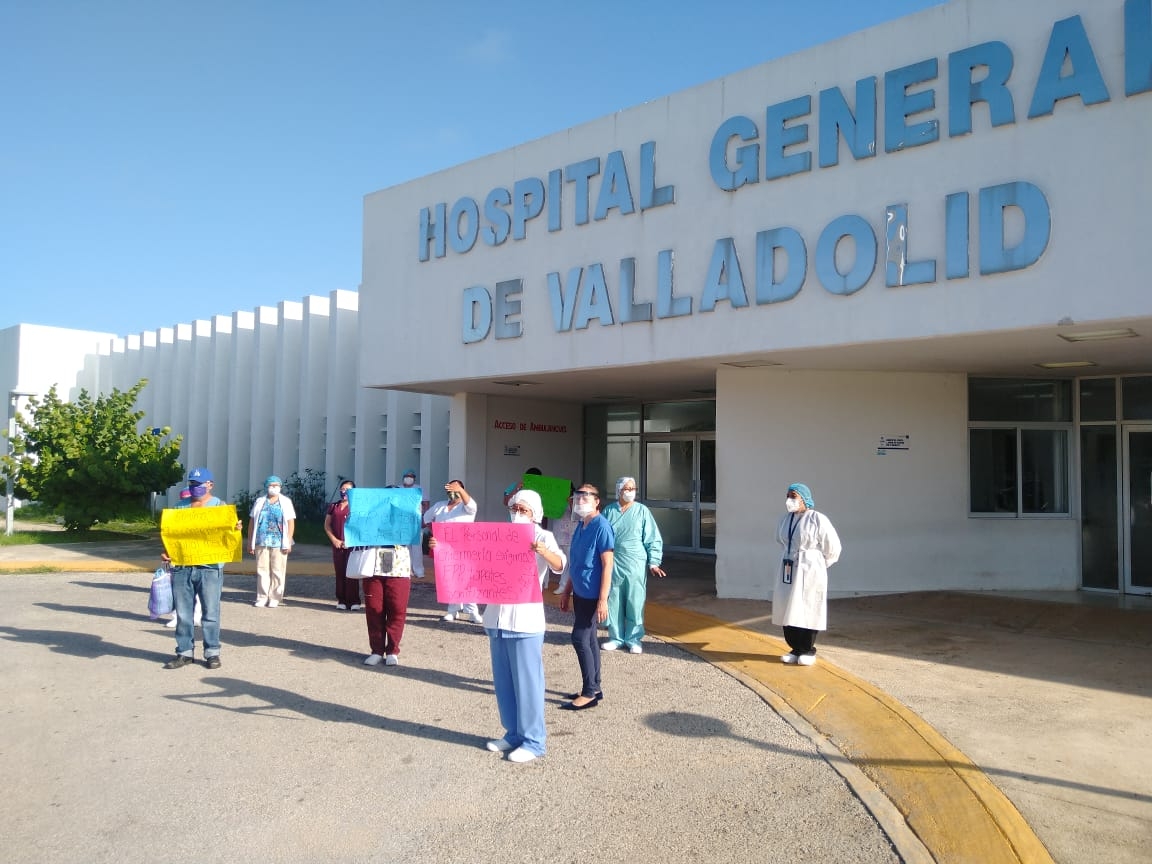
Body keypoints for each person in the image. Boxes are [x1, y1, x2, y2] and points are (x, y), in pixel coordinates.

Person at [474, 490, 565, 764]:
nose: (517, 512)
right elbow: (474, 561)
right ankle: (513, 733)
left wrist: (544, 552)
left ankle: (534, 741)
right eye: (515, 507)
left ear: (535, 513)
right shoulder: (499, 535)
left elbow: (561, 565)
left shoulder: (542, 536)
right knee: (504, 683)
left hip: (525, 621)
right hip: (496, 618)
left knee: (528, 684)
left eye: (524, 509)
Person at [160, 467, 238, 670]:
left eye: (199, 484)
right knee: (184, 614)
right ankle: (184, 652)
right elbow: (171, 536)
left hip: (210, 568)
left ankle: (212, 652)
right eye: (192, 484)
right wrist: (166, 552)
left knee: (211, 613)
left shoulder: (220, 507)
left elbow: (228, 538)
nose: (195, 488)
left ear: (210, 484)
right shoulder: (179, 508)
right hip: (182, 567)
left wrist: (234, 530)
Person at [558, 483, 614, 710]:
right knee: (589, 639)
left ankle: (589, 692)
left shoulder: (602, 526)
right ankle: (594, 686)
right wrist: (567, 589)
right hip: (580, 591)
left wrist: (602, 600)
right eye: (577, 496)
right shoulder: (581, 525)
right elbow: (576, 562)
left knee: (579, 638)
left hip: (592, 594)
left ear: (597, 501)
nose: (580, 500)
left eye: (586, 496)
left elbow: (607, 564)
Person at [774, 483, 842, 667]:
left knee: (808, 606)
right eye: (788, 495)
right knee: (787, 605)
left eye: (794, 496)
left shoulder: (817, 519)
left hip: (810, 568)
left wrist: (818, 565)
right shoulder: (786, 519)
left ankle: (807, 649)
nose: (790, 500)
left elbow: (833, 547)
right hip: (789, 567)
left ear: (804, 498)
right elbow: (781, 540)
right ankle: (794, 648)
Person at [600, 476, 665, 654]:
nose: (631, 491)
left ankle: (634, 638)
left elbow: (652, 537)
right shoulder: (609, 511)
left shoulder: (642, 511)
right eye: (627, 488)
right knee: (614, 600)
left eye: (633, 488)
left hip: (635, 562)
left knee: (635, 601)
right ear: (619, 491)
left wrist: (654, 562)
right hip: (613, 561)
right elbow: (601, 535)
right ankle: (615, 637)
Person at [425, 480, 481, 623]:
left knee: (467, 580)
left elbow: (472, 506)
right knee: (451, 579)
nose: (452, 492)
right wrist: (435, 532)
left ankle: (472, 612)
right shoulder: (440, 506)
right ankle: (453, 610)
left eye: (455, 489)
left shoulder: (466, 506)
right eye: (450, 489)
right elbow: (426, 519)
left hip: (465, 548)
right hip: (444, 549)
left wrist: (460, 490)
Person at [348, 543, 413, 667]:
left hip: (399, 565)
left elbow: (421, 525)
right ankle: (377, 650)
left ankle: (392, 651)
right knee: (374, 608)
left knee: (397, 608)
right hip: (372, 564)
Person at [248, 475, 296, 608]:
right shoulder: (260, 501)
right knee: (262, 570)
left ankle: (275, 596)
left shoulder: (286, 502)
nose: (274, 488)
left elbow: (290, 522)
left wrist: (289, 540)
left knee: (278, 570)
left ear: (280, 487)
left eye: (276, 485)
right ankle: (262, 596)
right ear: (266, 486)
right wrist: (250, 541)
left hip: (279, 541)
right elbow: (252, 521)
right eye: (271, 485)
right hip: (261, 540)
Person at [323, 479, 362, 610]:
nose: (344, 491)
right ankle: (342, 600)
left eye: (347, 489)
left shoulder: (357, 506)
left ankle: (354, 600)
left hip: (352, 545)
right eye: (342, 489)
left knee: (352, 572)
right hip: (338, 544)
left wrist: (352, 540)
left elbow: (360, 526)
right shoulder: (334, 506)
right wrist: (334, 540)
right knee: (340, 572)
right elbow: (327, 525)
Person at [550, 486, 578, 595]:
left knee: (572, 563)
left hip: (570, 536)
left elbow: (576, 514)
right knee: (563, 562)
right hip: (559, 534)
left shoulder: (576, 499)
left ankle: (572, 587)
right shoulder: (557, 498)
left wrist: (571, 502)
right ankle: (563, 585)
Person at [399, 469, 426, 578]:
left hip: (416, 521)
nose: (408, 478)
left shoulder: (419, 489)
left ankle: (419, 571)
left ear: (414, 478)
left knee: (417, 547)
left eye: (411, 476)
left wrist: (424, 518)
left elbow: (426, 504)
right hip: (402, 522)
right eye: (406, 476)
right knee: (404, 547)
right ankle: (407, 570)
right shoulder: (398, 489)